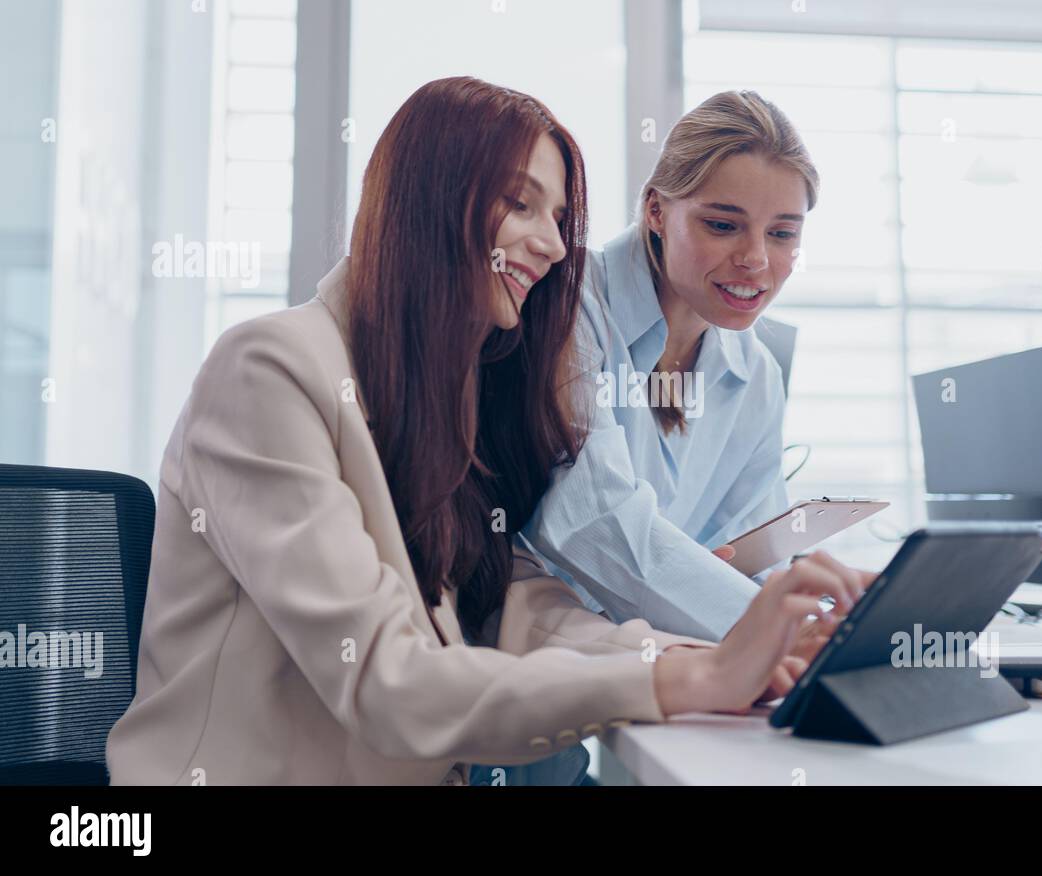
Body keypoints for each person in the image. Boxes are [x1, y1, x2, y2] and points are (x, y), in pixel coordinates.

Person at [105, 77, 864, 786]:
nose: (556, 245)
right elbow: (384, 677)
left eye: (560, 218)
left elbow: (511, 606)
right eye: (522, 205)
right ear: (430, 200)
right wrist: (685, 674)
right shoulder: (269, 370)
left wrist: (720, 652)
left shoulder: (451, 381)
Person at [524, 90, 862, 642]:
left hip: (672, 658)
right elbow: (591, 520)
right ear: (657, 210)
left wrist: (813, 609)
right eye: (723, 225)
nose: (756, 259)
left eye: (783, 234)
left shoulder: (755, 373)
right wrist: (770, 631)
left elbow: (749, 555)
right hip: (545, 655)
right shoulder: (570, 301)